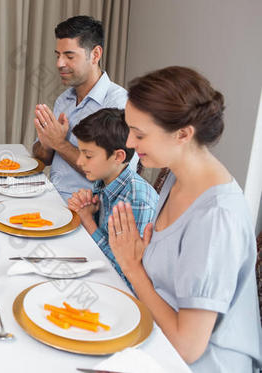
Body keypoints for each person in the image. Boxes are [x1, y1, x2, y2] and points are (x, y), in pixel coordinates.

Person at [107, 67, 262, 371]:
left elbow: (187, 347)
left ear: (183, 134)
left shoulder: (217, 218)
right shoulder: (176, 180)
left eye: (139, 134)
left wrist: (134, 269)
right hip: (157, 339)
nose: (129, 142)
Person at [32, 16, 129, 201]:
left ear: (95, 54)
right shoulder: (64, 99)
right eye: (57, 55)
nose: (59, 63)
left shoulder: (118, 103)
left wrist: (59, 143)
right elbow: (43, 159)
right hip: (52, 196)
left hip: (88, 210)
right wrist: (46, 144)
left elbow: (114, 176)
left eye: (69, 56)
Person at [67, 108, 158, 287]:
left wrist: (88, 221)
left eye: (88, 155)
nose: (79, 161)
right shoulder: (105, 181)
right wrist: (87, 209)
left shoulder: (137, 200)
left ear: (118, 156)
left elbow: (129, 276)